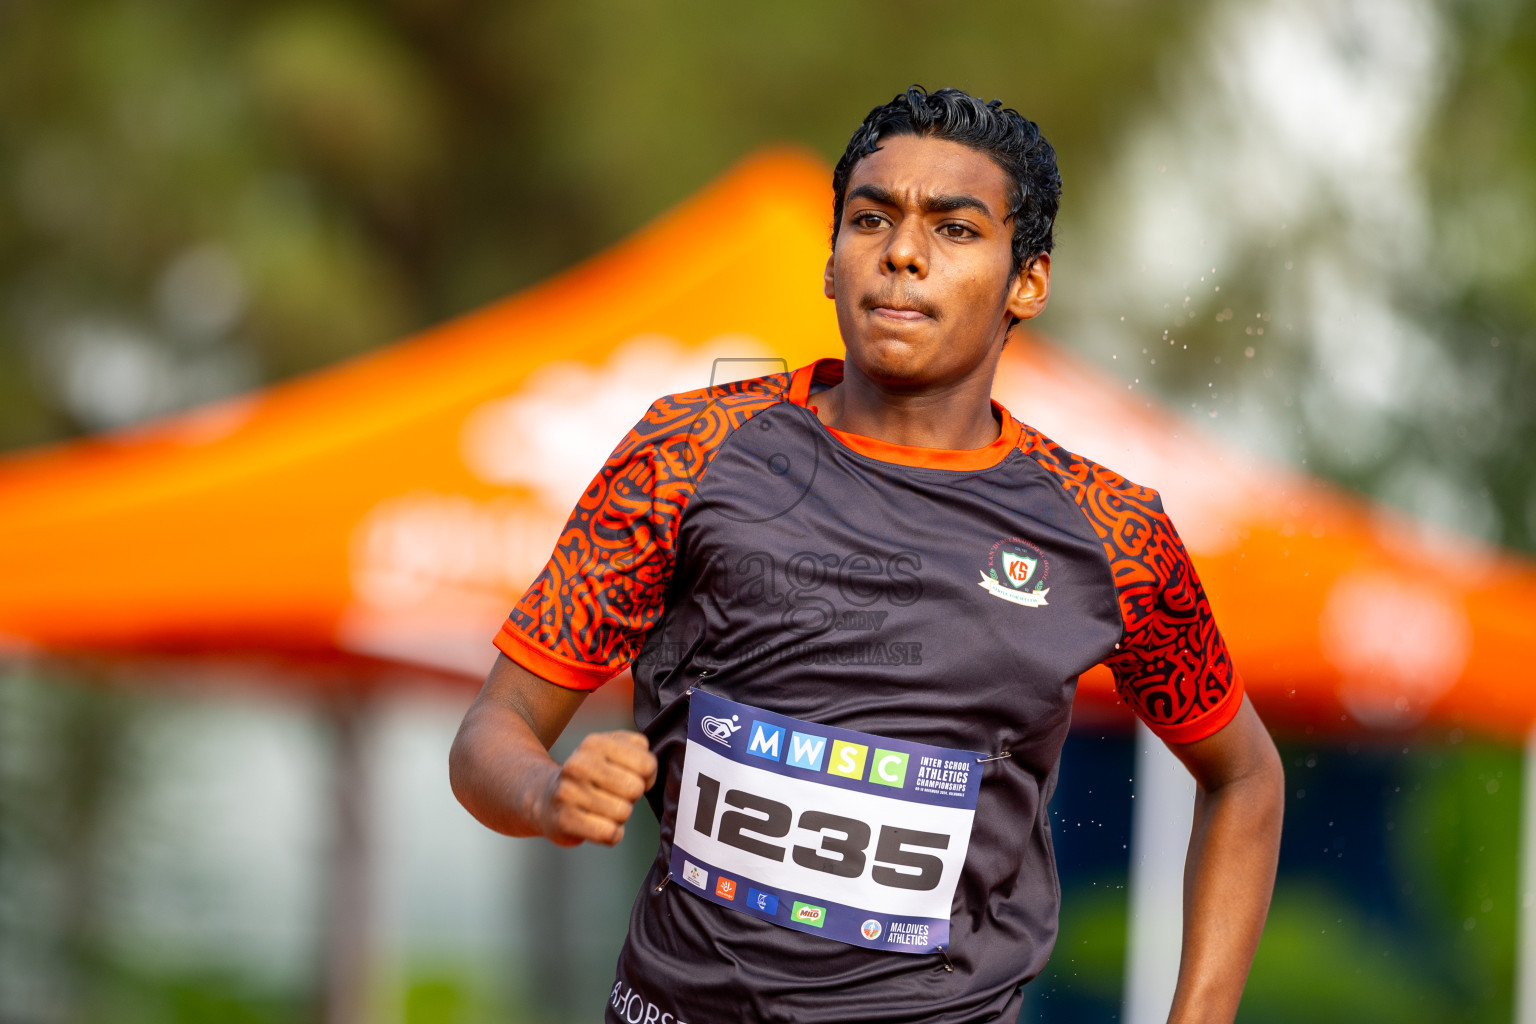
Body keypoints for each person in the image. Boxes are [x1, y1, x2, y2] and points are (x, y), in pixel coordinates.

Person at [450, 85, 1284, 1023]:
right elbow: (493, 729)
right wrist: (548, 790)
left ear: (1029, 282)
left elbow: (1244, 776)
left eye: (956, 229)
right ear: (832, 258)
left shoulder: (1109, 534)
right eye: (869, 218)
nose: (901, 252)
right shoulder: (685, 453)